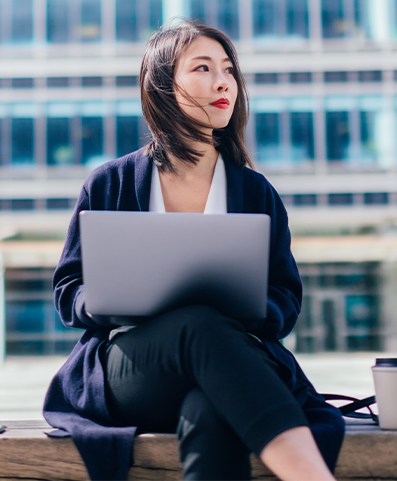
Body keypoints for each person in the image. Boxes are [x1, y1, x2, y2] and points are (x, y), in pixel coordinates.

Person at [43, 20, 345, 481]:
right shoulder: (111, 182)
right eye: (203, 68)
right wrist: (107, 297)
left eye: (228, 70)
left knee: (209, 406)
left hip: (229, 361)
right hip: (134, 370)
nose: (224, 81)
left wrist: (248, 306)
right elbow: (69, 290)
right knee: (197, 323)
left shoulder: (255, 191)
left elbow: (286, 297)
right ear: (163, 85)